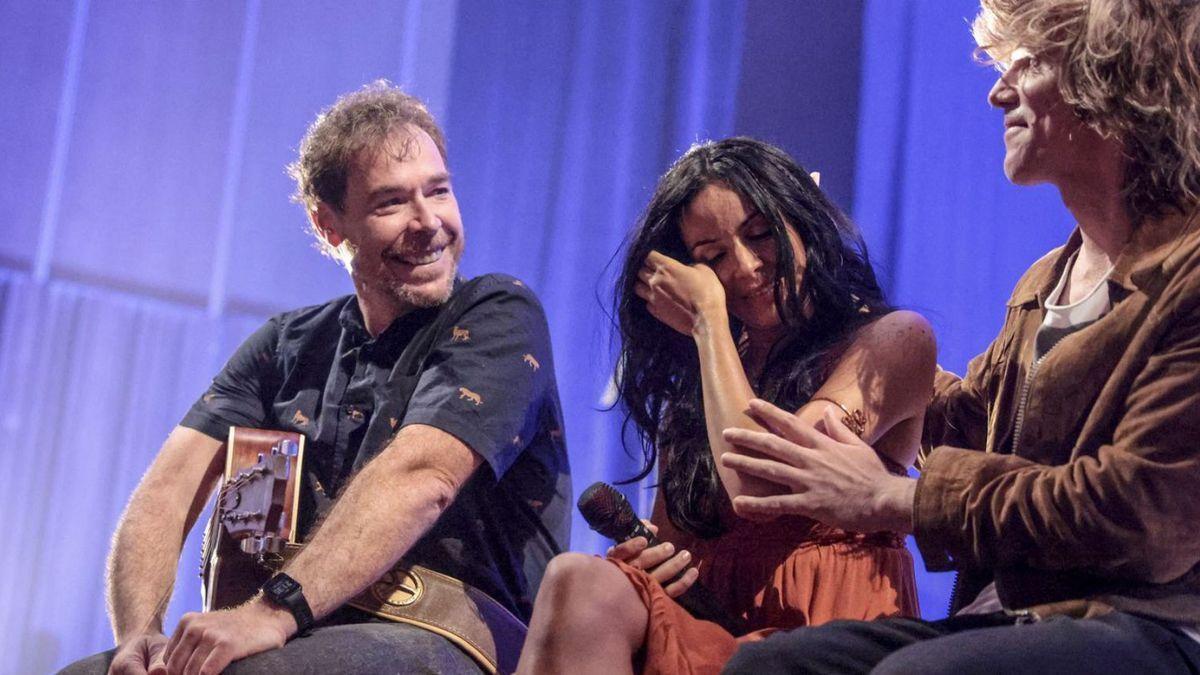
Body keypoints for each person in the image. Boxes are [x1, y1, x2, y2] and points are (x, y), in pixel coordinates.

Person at [719, 0, 1200, 672]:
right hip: (1020, 615)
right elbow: (969, 423)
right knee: (767, 667)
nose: (999, 90)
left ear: (1118, 76)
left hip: (1154, 627)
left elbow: (1142, 513)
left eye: (1027, 64)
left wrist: (905, 499)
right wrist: (833, 312)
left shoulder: (1189, 274)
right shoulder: (1048, 278)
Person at [61, 82, 570, 675]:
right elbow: (167, 491)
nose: (429, 222)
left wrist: (269, 615)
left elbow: (422, 477)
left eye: (439, 191)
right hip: (302, 633)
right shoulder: (285, 344)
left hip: (455, 639)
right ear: (330, 226)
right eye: (390, 203)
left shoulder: (499, 312)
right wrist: (138, 638)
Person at [516, 137, 935, 674]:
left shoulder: (894, 338)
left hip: (828, 631)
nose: (745, 266)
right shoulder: (709, 374)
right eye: (713, 257)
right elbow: (679, 536)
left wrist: (707, 321)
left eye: (761, 235)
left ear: (803, 217)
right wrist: (658, 556)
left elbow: (761, 483)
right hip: (714, 620)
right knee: (577, 579)